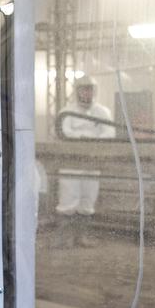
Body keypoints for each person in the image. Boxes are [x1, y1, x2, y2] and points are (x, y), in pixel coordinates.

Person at [56, 75, 115, 218]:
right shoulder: (66, 112)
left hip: (93, 158)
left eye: (90, 90)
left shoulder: (102, 112)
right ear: (77, 91)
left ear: (94, 91)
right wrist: (83, 136)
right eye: (83, 90)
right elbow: (64, 132)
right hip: (71, 158)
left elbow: (110, 132)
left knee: (90, 192)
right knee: (69, 191)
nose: (86, 93)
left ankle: (83, 227)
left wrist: (94, 140)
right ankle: (66, 225)